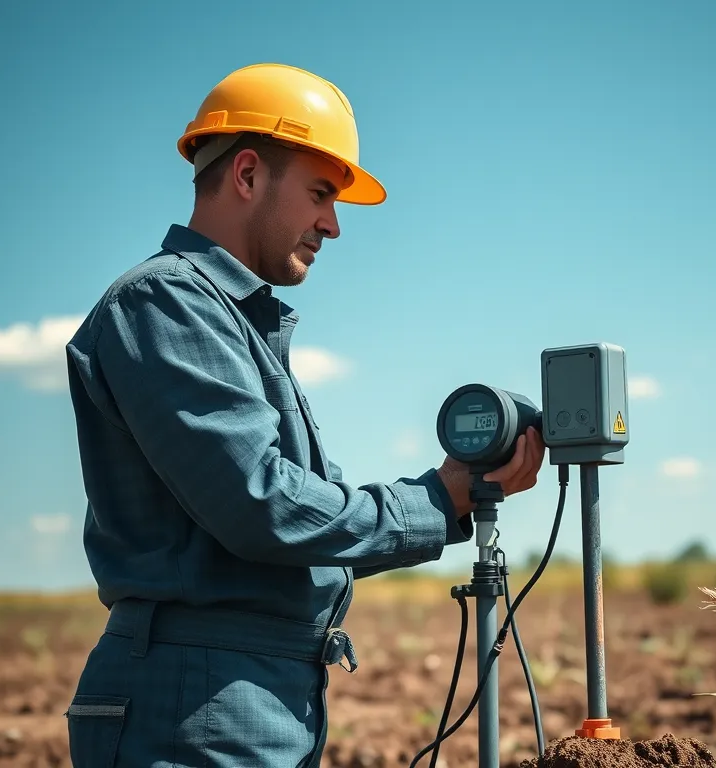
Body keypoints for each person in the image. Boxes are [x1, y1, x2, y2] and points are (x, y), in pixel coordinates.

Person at [62, 62, 546, 767]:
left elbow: (301, 530)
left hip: (253, 694)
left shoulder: (237, 325)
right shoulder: (166, 304)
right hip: (194, 703)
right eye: (321, 193)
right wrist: (439, 499)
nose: (333, 225)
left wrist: (447, 499)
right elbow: (264, 507)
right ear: (247, 174)